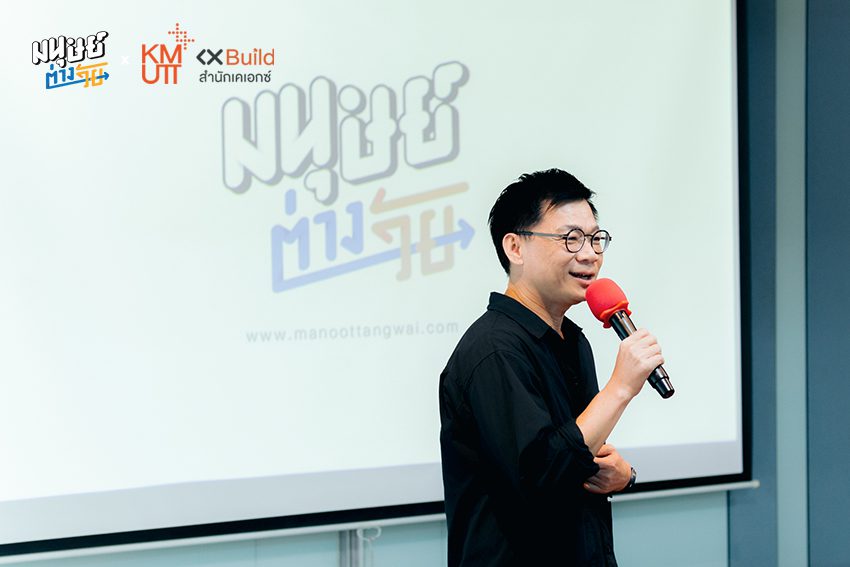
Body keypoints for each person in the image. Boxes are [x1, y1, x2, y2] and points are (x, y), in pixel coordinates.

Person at [439, 169, 664, 566]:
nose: (589, 254)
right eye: (570, 238)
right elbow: (541, 475)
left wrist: (620, 474)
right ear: (515, 247)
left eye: (595, 238)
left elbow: (577, 456)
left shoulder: (572, 341)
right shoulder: (494, 350)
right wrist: (620, 388)